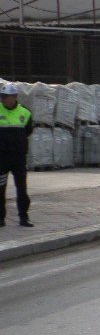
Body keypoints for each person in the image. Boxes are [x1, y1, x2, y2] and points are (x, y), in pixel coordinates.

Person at [0, 82, 34, 227]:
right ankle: (0, 218)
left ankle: (24, 217)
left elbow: (28, 130)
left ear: (14, 96)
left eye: (6, 96)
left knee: (22, 188)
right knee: (0, 189)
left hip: (19, 158)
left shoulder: (25, 112)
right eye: (2, 97)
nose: (4, 99)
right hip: (1, 158)